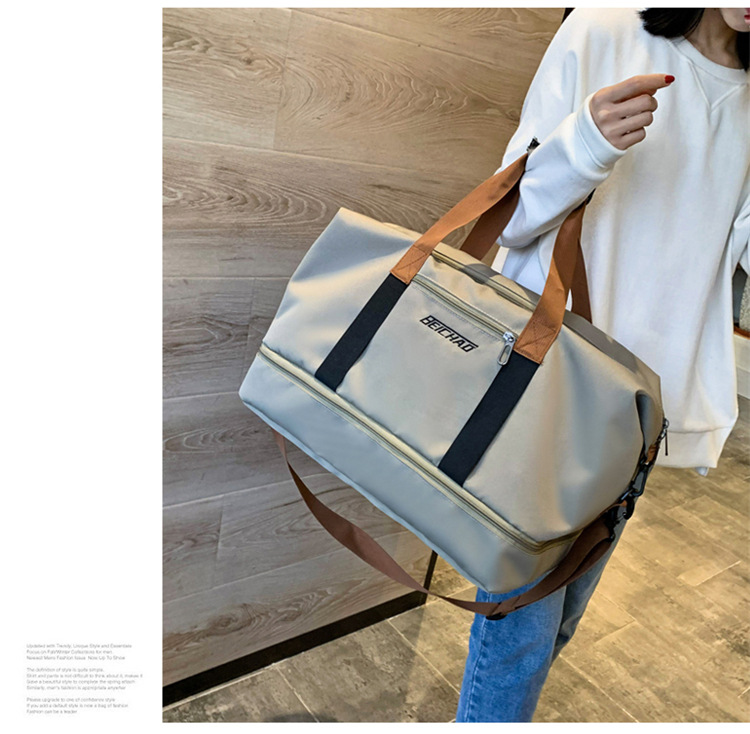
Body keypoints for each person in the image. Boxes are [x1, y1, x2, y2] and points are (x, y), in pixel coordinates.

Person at [455, 7, 749, 722]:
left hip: (641, 412)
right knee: (521, 634)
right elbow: (508, 215)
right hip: (549, 383)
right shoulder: (603, 28)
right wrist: (584, 142)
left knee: (556, 621)